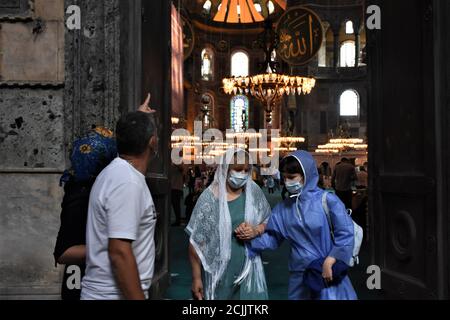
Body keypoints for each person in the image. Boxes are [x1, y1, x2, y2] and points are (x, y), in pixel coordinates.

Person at [248, 150, 357, 300]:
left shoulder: (327, 201)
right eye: (284, 178)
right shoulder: (283, 208)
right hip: (299, 274)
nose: (287, 182)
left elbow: (345, 233)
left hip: (326, 271)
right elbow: (273, 237)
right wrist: (245, 244)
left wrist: (331, 260)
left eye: (292, 177)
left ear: (306, 175)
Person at [81, 109, 158, 300]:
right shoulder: (127, 182)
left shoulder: (116, 173)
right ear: (153, 142)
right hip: (113, 295)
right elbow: (119, 252)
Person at [186, 149, 271, 300]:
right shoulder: (209, 198)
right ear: (226, 169)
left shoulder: (253, 191)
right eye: (238, 169)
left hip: (250, 266)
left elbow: (267, 220)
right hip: (221, 271)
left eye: (247, 170)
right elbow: (197, 243)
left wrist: (256, 230)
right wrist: (196, 277)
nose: (243, 174)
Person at [53, 126, 117, 300]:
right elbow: (63, 253)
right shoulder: (81, 194)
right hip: (80, 282)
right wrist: (114, 246)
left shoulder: (92, 186)